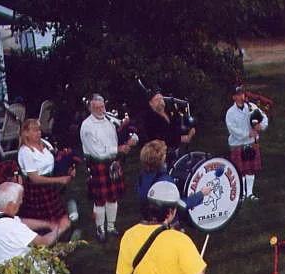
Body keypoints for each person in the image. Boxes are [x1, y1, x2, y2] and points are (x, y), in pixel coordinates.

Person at [80, 94, 138, 241]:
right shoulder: (87, 126)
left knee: (112, 197)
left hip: (113, 162)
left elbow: (125, 129)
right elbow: (97, 151)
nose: (101, 110)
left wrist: (132, 139)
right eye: (96, 107)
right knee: (99, 200)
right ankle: (100, 229)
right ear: (90, 108)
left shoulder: (110, 119)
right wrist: (119, 149)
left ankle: (111, 227)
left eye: (102, 106)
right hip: (98, 163)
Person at [17, 118, 74, 239]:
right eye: (34, 130)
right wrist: (59, 180)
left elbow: (52, 164)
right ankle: (47, 244)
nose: (38, 133)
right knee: (44, 222)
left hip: (50, 187)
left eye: (39, 130)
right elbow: (35, 179)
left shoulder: (44, 144)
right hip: (37, 190)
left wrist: (66, 170)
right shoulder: (25, 152)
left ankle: (60, 241)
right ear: (26, 133)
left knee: (59, 217)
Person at [136, 139, 210, 220]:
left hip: (147, 218)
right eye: (164, 154)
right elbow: (181, 205)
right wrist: (201, 194)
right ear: (160, 160)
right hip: (164, 220)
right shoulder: (165, 180)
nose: (166, 155)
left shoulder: (142, 176)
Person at [225, 85, 269, 201]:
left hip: (251, 143)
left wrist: (260, 126)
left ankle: (250, 193)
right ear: (234, 97)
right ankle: (242, 194)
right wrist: (247, 134)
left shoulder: (252, 107)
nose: (241, 96)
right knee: (240, 170)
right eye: (238, 94)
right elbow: (232, 129)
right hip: (237, 144)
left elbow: (264, 118)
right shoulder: (230, 112)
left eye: (242, 94)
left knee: (250, 169)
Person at [143, 90, 193, 165]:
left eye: (161, 99)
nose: (160, 101)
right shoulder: (150, 118)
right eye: (157, 100)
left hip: (177, 151)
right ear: (151, 103)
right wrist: (180, 138)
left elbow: (175, 128)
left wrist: (188, 131)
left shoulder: (169, 112)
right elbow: (159, 137)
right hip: (161, 156)